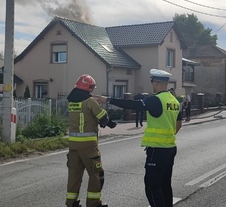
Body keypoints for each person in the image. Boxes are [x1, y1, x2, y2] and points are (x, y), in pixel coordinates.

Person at [95, 69, 182, 207]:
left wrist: (108, 99)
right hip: (170, 148)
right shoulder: (174, 101)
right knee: (165, 185)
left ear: (157, 83)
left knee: (152, 186)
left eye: (152, 82)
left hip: (157, 149)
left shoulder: (156, 100)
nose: (152, 84)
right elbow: (178, 124)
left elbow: (133, 105)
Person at [65, 74, 117, 207]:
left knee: (74, 176)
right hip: (88, 146)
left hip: (73, 145)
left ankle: (71, 203)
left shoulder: (72, 101)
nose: (92, 90)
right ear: (88, 87)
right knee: (96, 174)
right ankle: (94, 203)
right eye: (91, 87)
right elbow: (102, 116)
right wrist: (110, 122)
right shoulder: (90, 101)